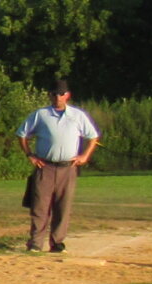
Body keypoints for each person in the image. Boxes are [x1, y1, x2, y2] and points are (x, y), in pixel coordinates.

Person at [16, 83, 101, 253]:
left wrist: (85, 156)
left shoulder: (78, 115)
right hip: (45, 166)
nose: (58, 97)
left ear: (67, 95)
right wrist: (30, 155)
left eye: (61, 94)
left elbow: (93, 137)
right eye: (54, 94)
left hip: (68, 167)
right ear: (50, 95)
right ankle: (35, 243)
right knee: (40, 207)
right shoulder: (41, 115)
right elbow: (22, 134)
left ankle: (57, 243)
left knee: (63, 206)